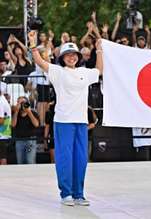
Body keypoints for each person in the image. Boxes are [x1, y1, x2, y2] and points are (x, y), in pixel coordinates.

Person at [28, 29, 103, 206]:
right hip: (63, 121)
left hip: (81, 121)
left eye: (74, 55)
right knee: (64, 158)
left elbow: (99, 70)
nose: (71, 57)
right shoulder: (58, 71)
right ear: (62, 57)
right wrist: (32, 43)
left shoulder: (85, 72)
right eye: (67, 55)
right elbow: (39, 61)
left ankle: (78, 194)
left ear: (78, 56)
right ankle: (66, 194)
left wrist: (99, 49)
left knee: (81, 159)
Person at [12, 96, 40, 164]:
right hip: (19, 141)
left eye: (24, 103)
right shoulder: (16, 113)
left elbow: (36, 124)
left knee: (30, 161)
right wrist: (16, 111)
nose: (22, 105)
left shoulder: (33, 112)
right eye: (20, 103)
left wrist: (29, 112)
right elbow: (13, 125)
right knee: (20, 161)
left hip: (30, 141)